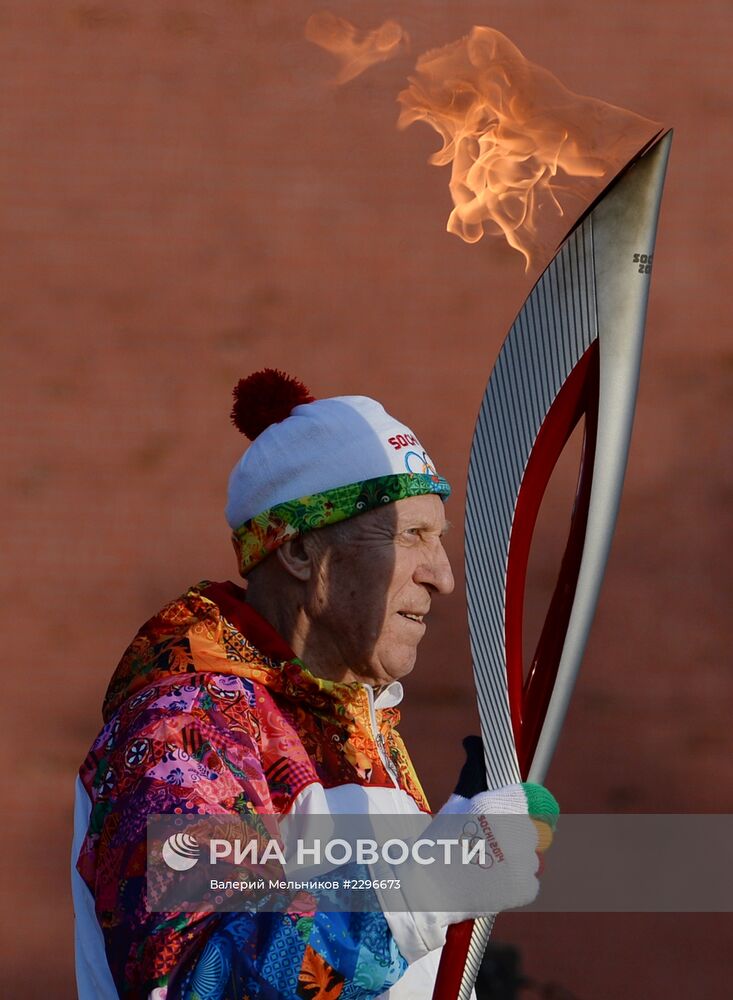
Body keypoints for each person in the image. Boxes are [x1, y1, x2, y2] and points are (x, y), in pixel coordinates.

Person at [72, 369, 558, 1000]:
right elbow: (205, 982)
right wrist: (435, 884)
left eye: (440, 539)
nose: (442, 575)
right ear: (301, 553)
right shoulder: (187, 731)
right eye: (412, 535)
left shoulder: (355, 731)